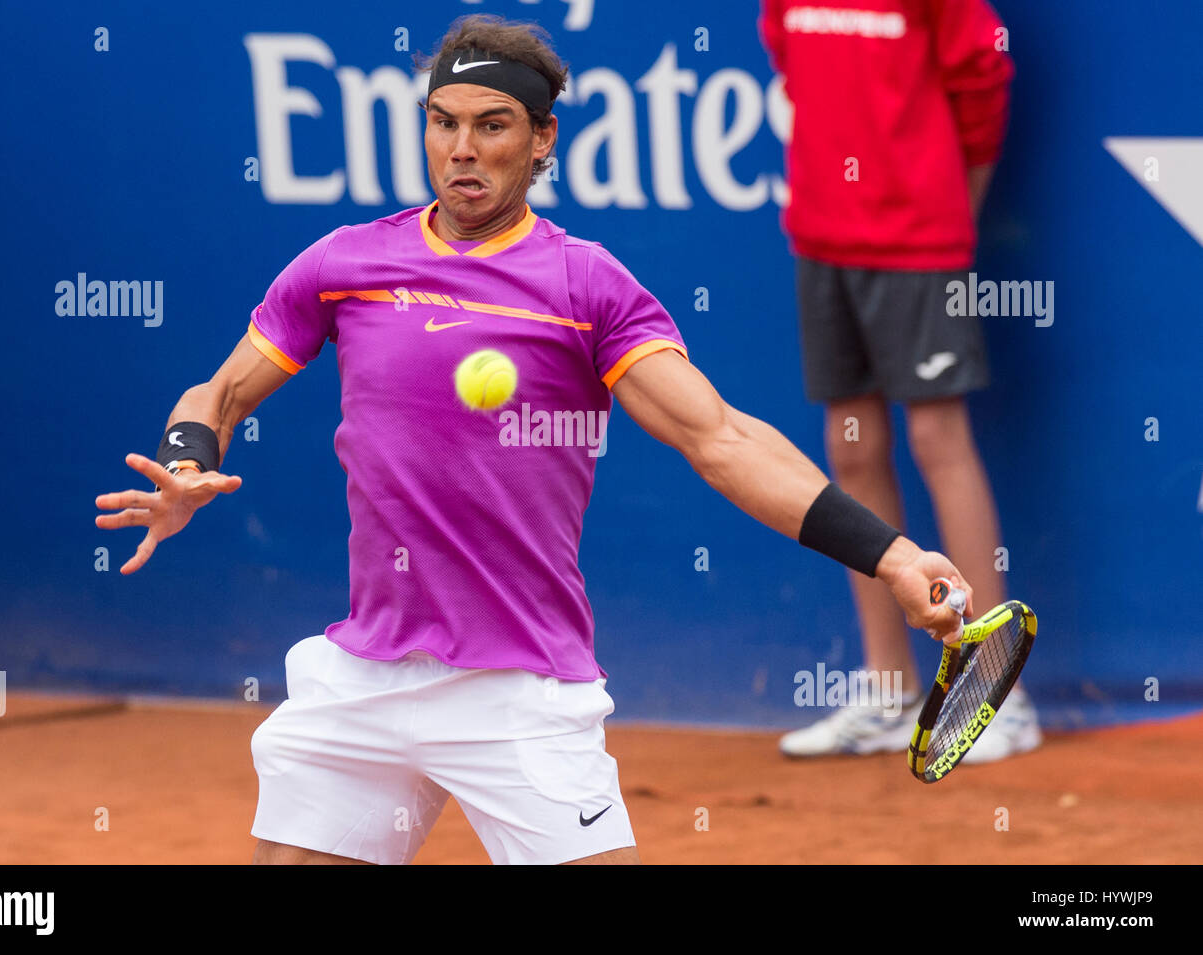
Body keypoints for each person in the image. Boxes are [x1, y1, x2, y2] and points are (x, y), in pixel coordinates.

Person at [95, 14, 973, 866]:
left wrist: (891, 556)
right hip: (364, 674)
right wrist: (186, 464)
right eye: (443, 123)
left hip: (518, 686)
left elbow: (724, 440)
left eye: (492, 126)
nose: (462, 149)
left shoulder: (585, 286)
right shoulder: (345, 264)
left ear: (543, 141)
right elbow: (217, 392)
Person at [758, 0, 1041, 761]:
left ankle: (997, 695)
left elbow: (982, 82)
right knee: (851, 447)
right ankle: (888, 691)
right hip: (821, 231)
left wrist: (953, 206)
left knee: (934, 434)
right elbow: (790, 62)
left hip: (920, 237)